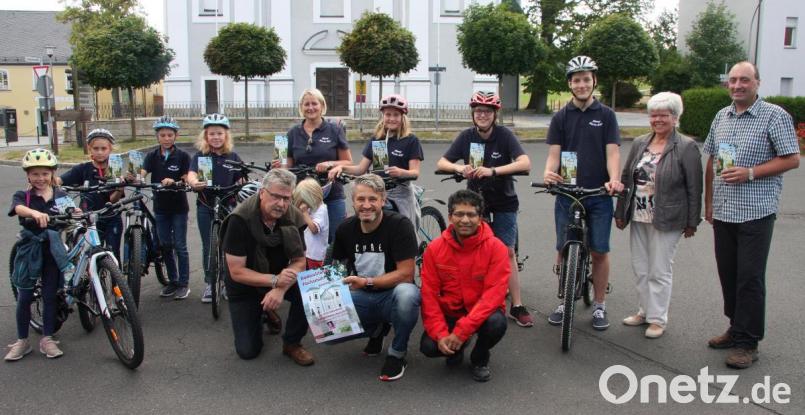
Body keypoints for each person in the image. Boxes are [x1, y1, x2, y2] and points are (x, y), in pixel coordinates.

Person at [703, 61, 799, 369]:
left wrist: (751, 173)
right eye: (732, 80)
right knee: (728, 274)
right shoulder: (722, 116)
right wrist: (708, 202)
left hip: (756, 212)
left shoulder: (774, 116)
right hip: (725, 211)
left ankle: (748, 342)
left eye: (744, 80)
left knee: (749, 278)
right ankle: (736, 327)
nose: (737, 85)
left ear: (757, 82)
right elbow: (712, 160)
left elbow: (792, 159)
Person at [436, 91, 533, 328]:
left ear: (494, 115)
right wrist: (460, 169)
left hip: (503, 200)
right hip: (476, 200)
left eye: (487, 111)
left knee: (506, 251)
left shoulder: (504, 135)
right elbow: (442, 162)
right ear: (473, 114)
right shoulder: (466, 136)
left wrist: (493, 171)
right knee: (470, 249)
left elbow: (525, 162)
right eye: (478, 111)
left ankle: (517, 305)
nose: (482, 115)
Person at [542, 55, 624, 330]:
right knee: (563, 249)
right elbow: (554, 154)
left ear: (594, 81)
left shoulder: (606, 115)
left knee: (599, 251)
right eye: (576, 80)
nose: (581, 84)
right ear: (570, 84)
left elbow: (612, 153)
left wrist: (614, 180)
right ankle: (564, 301)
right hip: (567, 191)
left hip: (598, 192)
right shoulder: (561, 117)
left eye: (586, 79)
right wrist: (548, 173)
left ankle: (600, 305)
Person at [614, 92, 703, 339]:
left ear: (675, 117)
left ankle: (657, 319)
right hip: (638, 214)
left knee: (659, 270)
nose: (658, 120)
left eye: (664, 115)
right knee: (641, 267)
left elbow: (694, 187)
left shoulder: (686, 146)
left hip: (668, 217)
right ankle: (644, 311)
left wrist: (692, 221)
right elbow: (626, 178)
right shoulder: (640, 142)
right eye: (653, 115)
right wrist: (621, 211)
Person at [330, 174, 420, 381]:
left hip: (392, 294)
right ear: (353, 201)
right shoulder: (345, 229)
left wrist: (367, 282)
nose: (366, 205)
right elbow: (337, 269)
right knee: (327, 330)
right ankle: (376, 329)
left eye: (372, 199)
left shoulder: (400, 225)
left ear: (383, 200)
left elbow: (406, 274)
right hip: (362, 294)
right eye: (361, 199)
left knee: (408, 295)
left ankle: (397, 353)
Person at [220, 168, 314, 365]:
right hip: (245, 285)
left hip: (278, 277)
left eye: (286, 198)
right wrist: (274, 281)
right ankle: (264, 311)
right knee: (248, 351)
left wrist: (280, 288)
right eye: (276, 196)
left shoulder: (293, 216)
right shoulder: (239, 220)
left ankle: (292, 343)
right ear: (262, 192)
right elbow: (237, 271)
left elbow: (299, 261)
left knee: (310, 288)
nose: (281, 204)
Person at [419, 189, 509, 382]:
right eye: (459, 214)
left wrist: (462, 331)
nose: (465, 220)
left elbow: (493, 295)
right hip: (451, 312)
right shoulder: (434, 249)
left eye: (471, 214)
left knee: (497, 323)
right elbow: (429, 295)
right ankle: (455, 350)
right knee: (428, 347)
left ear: (481, 218)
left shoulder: (497, 248)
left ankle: (479, 357)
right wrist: (441, 334)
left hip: (482, 313)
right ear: (450, 217)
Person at [6, 149, 76, 361]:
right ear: (28, 175)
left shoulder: (60, 195)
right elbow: (18, 208)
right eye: (35, 174)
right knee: (25, 296)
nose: (40, 178)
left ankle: (47, 339)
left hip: (53, 252)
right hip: (30, 250)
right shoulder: (24, 196)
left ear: (52, 174)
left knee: (49, 296)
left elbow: (73, 213)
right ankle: (22, 341)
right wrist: (34, 212)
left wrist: (79, 215)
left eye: (45, 173)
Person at [329, 94, 423, 229]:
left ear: (402, 117)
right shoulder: (379, 140)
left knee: (405, 229)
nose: (391, 118)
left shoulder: (410, 140)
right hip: (378, 191)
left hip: (400, 193)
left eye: (396, 115)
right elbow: (361, 169)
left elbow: (415, 173)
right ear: (383, 116)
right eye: (388, 114)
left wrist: (401, 172)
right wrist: (341, 168)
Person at [187, 113, 247, 302]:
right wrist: (193, 182)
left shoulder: (233, 156)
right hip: (206, 204)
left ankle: (229, 282)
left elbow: (242, 177)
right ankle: (210, 283)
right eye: (212, 133)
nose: (216, 137)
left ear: (226, 135)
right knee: (209, 245)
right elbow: (191, 174)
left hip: (228, 205)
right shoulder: (200, 156)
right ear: (206, 136)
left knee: (229, 245)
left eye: (219, 133)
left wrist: (243, 182)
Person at [283, 88, 352, 242]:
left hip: (331, 193)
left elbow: (347, 161)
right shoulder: (293, 133)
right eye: (306, 104)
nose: (311, 108)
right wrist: (279, 165)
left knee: (336, 239)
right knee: (303, 239)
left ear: (322, 105)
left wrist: (330, 163)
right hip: (302, 196)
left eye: (314, 103)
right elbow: (287, 167)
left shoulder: (335, 130)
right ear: (301, 107)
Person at [141, 116, 191, 299]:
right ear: (157, 136)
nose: (166, 138)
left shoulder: (183, 156)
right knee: (165, 245)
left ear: (176, 136)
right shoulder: (152, 156)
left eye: (170, 135)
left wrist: (175, 181)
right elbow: (142, 172)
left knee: (180, 245)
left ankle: (184, 283)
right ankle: (173, 281)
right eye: (163, 135)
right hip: (160, 207)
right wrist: (137, 177)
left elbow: (187, 177)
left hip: (178, 207)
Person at [58, 128, 125, 260]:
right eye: (96, 148)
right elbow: (59, 181)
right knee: (90, 253)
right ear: (89, 149)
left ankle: (114, 274)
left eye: (103, 149)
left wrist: (120, 188)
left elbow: (113, 200)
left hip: (111, 216)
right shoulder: (82, 169)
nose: (100, 152)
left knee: (113, 253)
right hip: (88, 217)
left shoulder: (114, 169)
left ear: (110, 149)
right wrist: (45, 182)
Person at [292, 178, 329, 269]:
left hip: (314, 255)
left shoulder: (321, 210)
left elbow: (314, 229)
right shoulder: (312, 207)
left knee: (311, 275)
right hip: (307, 252)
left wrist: (304, 213)